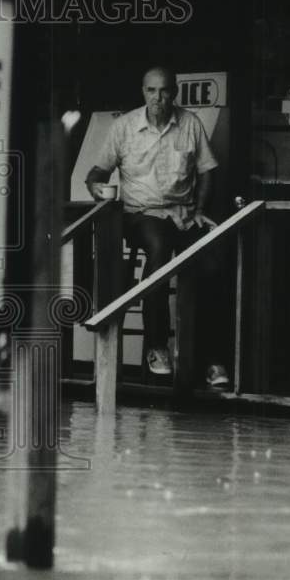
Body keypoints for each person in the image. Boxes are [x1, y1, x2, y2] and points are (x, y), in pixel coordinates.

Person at [84, 66, 230, 388]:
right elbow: (95, 174)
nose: (158, 98)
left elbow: (207, 171)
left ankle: (211, 359)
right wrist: (98, 189)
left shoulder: (189, 123)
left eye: (164, 91)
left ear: (174, 92)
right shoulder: (123, 127)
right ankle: (157, 347)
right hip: (140, 214)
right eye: (152, 91)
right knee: (159, 249)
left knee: (215, 258)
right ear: (143, 92)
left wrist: (200, 209)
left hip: (183, 213)